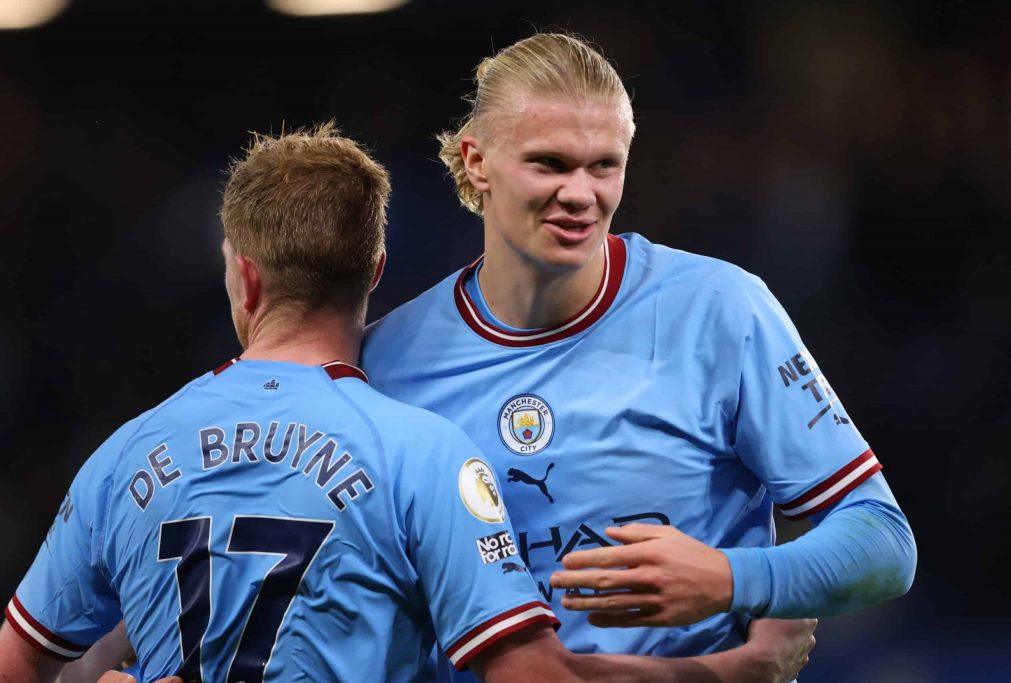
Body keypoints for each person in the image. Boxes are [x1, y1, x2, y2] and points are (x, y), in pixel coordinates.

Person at [1, 124, 815, 683]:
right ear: (377, 267)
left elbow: (17, 661)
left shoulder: (124, 455)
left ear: (244, 276)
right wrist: (735, 667)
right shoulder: (425, 453)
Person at [361, 31, 917, 676]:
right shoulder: (389, 362)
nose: (581, 193)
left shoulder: (719, 309)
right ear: (477, 162)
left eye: (604, 165)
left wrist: (731, 578)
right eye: (550, 164)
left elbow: (882, 543)